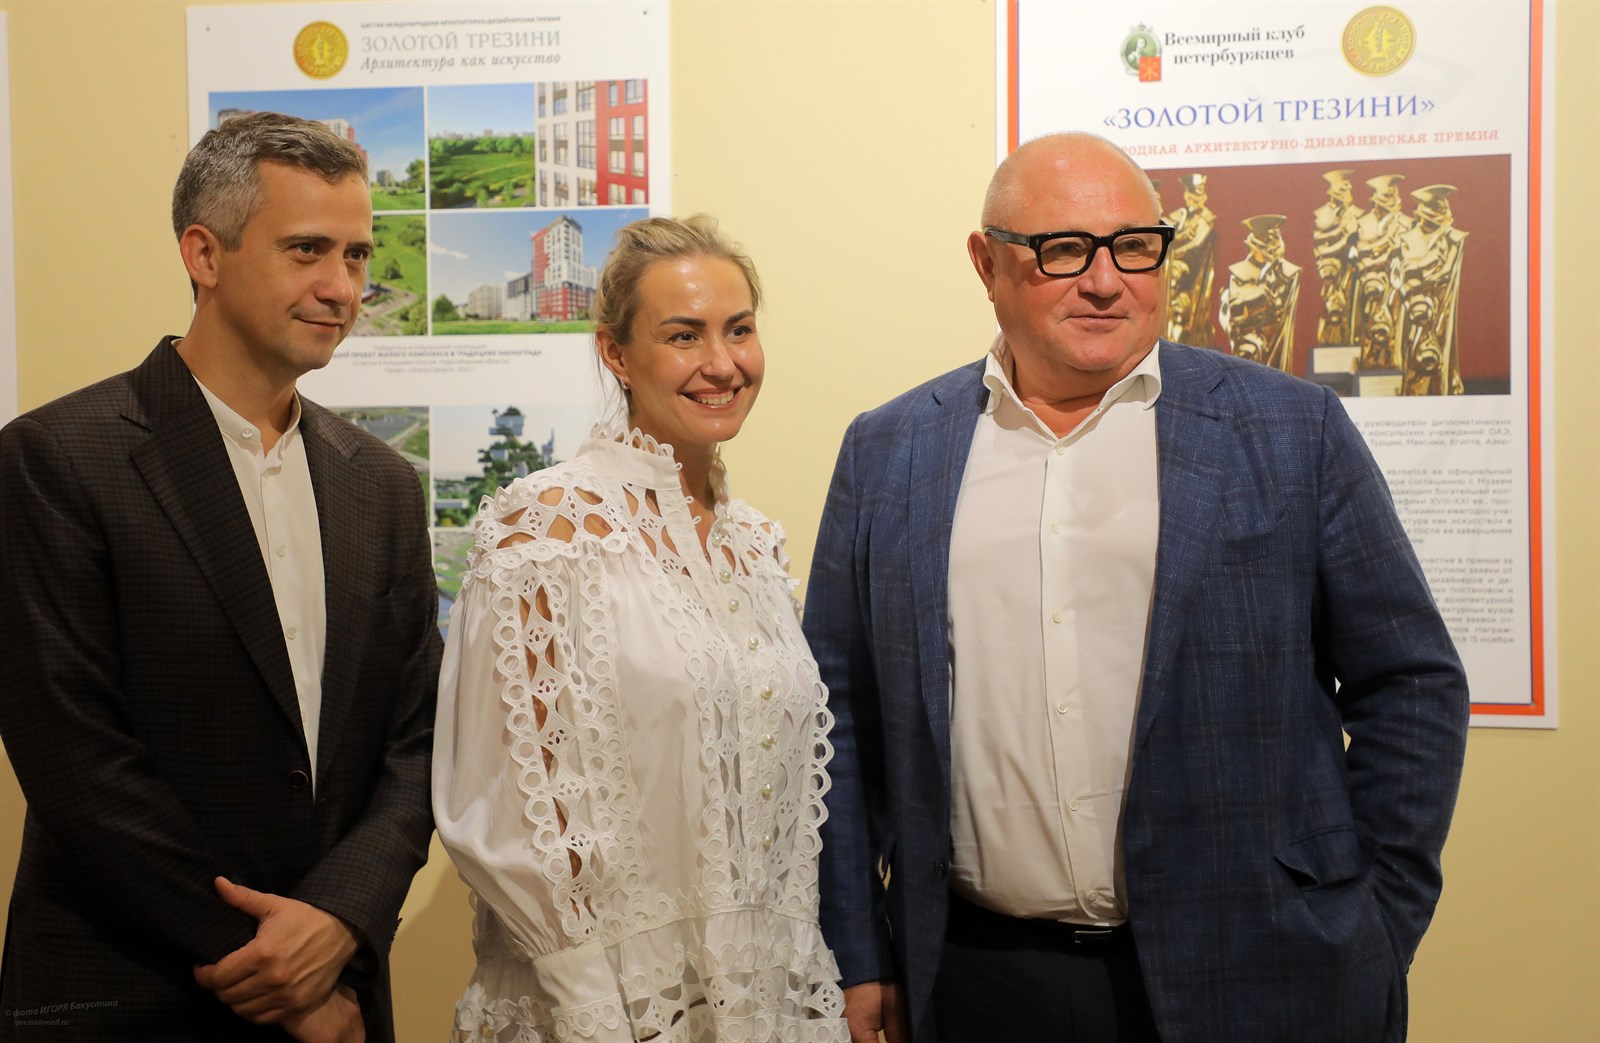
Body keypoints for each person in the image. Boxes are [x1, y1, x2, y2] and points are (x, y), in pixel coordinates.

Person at [804, 133, 1469, 1043]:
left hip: (1261, 971)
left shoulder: (1291, 429)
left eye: (1134, 246)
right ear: (986, 263)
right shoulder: (888, 451)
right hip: (973, 982)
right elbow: (835, 715)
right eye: (1064, 250)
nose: (1106, 281)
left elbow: (1412, 681)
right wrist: (858, 949)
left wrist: (1376, 919)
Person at [0, 112, 440, 1042]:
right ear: (204, 253)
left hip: (340, 982)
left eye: (357, 256)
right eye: (307, 250)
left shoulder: (383, 484)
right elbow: (75, 760)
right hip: (132, 989)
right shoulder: (57, 457)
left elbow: (416, 742)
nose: (342, 287)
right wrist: (275, 970)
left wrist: (341, 920)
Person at [433, 216, 848, 1042]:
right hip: (599, 1009)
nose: (722, 362)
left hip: (759, 1006)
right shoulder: (544, 525)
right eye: (684, 335)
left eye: (739, 329)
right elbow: (503, 799)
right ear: (615, 354)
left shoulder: (755, 545)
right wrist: (591, 1004)